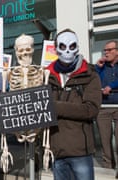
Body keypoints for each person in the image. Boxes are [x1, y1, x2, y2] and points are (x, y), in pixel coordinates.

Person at [46, 29, 102, 180]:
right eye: (63, 47)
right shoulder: (47, 75)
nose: (68, 52)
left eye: (72, 46)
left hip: (79, 151)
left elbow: (91, 110)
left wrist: (55, 106)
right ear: (56, 49)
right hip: (56, 149)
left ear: (77, 47)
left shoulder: (90, 74)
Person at [95, 40, 118, 170]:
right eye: (105, 50)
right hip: (103, 108)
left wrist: (111, 86)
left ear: (117, 51)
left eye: (109, 50)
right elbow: (94, 80)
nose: (106, 52)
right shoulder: (101, 66)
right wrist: (98, 67)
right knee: (105, 141)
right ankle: (108, 168)